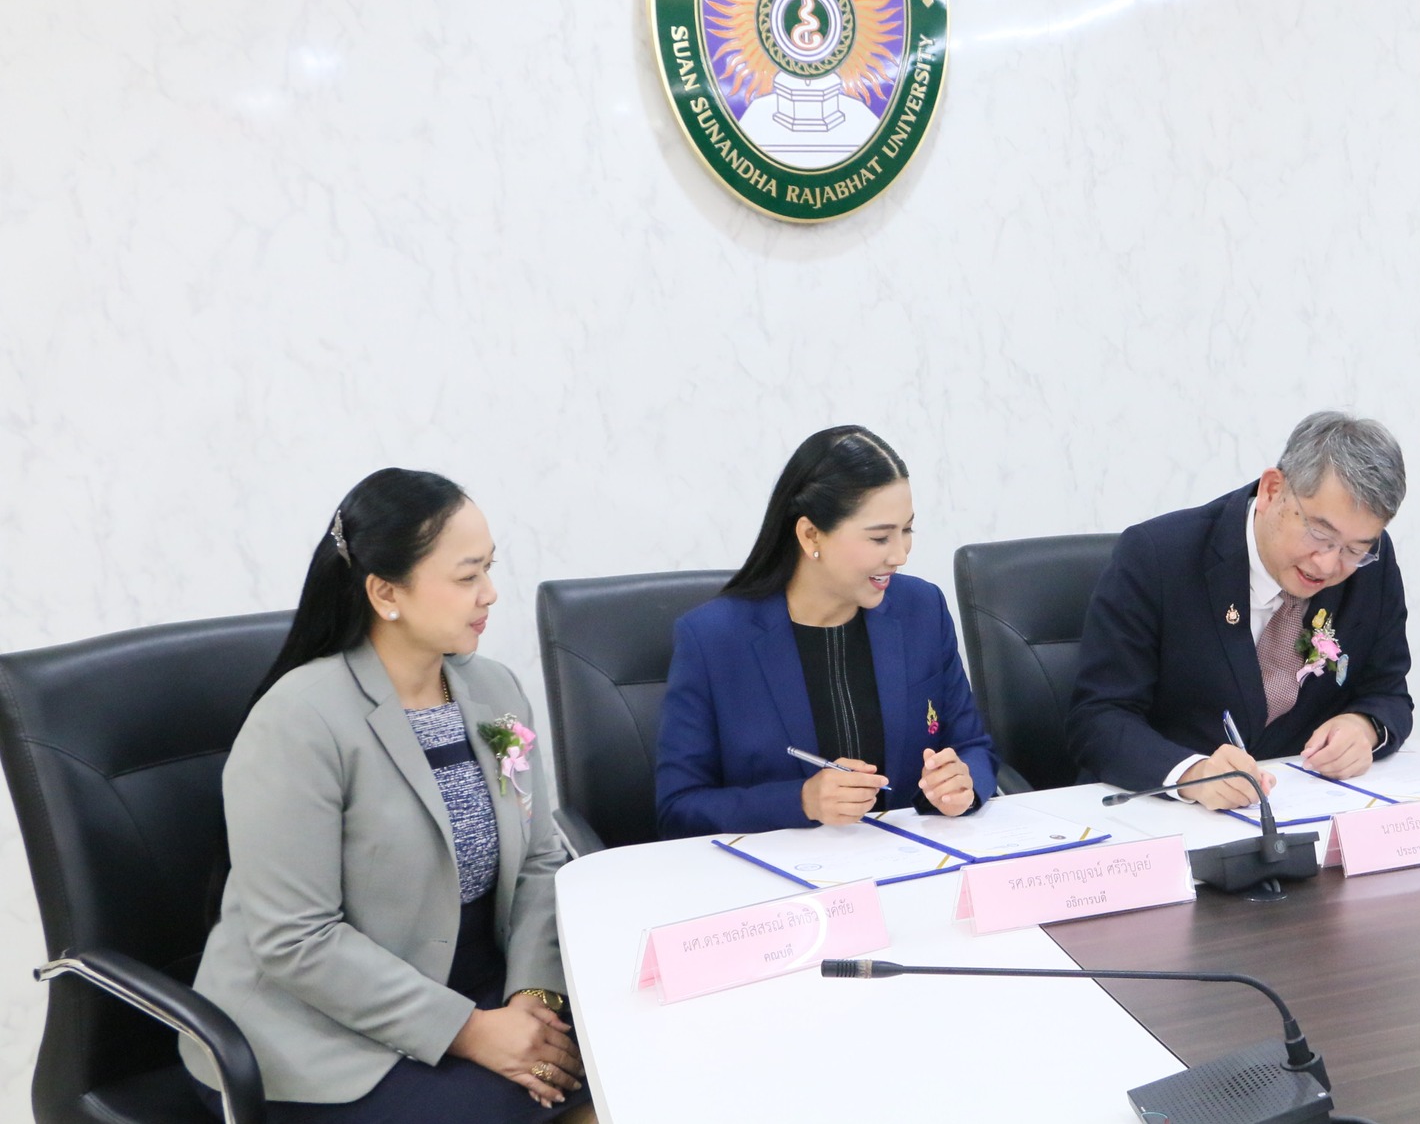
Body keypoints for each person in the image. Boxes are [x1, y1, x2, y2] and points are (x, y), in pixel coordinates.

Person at [184, 469, 588, 1122]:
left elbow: (539, 859)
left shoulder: (496, 693)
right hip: (318, 1031)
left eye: (488, 568)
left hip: (481, 983)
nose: (490, 593)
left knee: (631, 1066)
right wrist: (471, 1031)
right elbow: (295, 938)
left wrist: (531, 1001)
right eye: (467, 576)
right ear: (385, 591)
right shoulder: (300, 720)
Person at [655, 426, 999, 840]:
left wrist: (962, 784)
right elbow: (679, 808)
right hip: (778, 873)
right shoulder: (713, 639)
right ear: (810, 535)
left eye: (907, 530)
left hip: (913, 861)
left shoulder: (921, 609)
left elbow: (973, 747)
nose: (900, 555)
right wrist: (802, 801)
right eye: (880, 537)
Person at [1067, 411, 1415, 808]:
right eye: (1319, 534)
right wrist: (1192, 774)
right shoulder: (1157, 557)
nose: (1327, 563)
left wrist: (1364, 726)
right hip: (1160, 815)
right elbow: (1098, 718)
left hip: (1302, 809)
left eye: (1354, 549)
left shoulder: (1372, 567)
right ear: (1272, 490)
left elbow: (1388, 692)